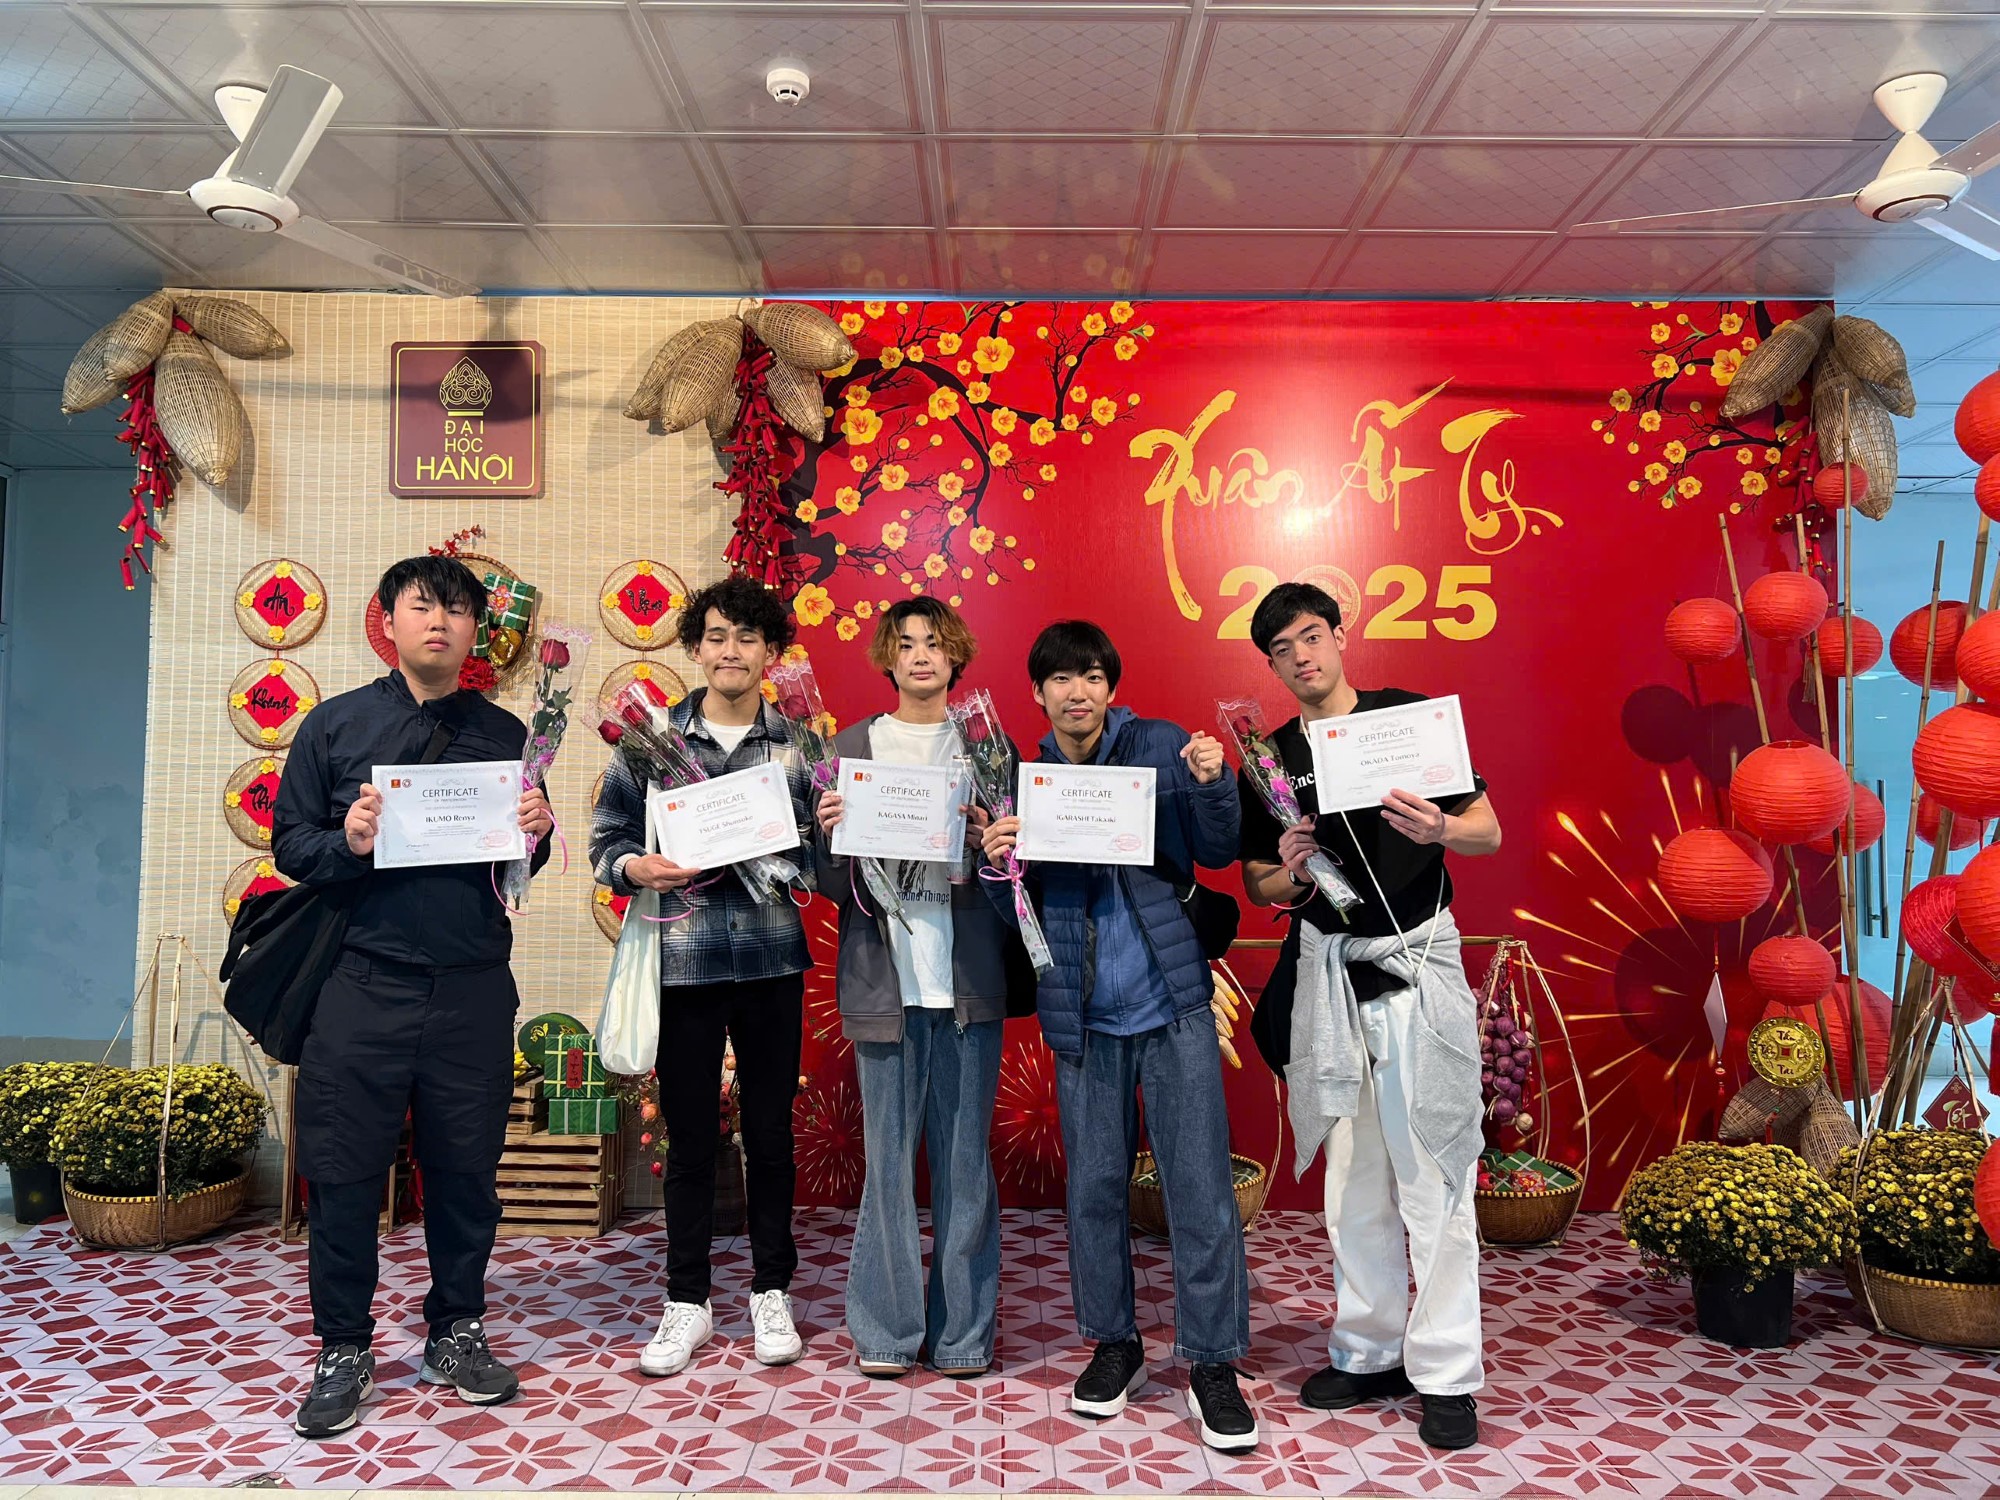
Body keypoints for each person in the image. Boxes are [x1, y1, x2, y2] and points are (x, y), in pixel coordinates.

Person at [272, 554, 554, 1440]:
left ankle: (456, 1330)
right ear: (387, 620)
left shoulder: (507, 733)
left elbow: (518, 865)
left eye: (457, 610)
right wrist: (348, 839)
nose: (439, 621)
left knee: (466, 1172)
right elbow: (291, 844)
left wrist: (537, 833)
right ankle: (343, 1346)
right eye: (422, 606)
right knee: (345, 1171)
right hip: (362, 983)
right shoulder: (335, 724)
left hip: (473, 987)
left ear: (477, 632)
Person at [980, 620, 1258, 1454]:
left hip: (1172, 1003)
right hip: (1083, 1015)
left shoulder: (1163, 745)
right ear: (1038, 693)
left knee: (1199, 1188)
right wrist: (998, 866)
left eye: (1093, 676)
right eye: (1062, 679)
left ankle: (1212, 1359)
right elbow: (1016, 917)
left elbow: (1217, 848)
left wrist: (1213, 782)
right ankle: (1115, 1343)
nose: (1079, 692)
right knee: (1096, 1189)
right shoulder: (1021, 782)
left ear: (1111, 686)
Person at [1236, 581, 1501, 1452]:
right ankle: (1369, 1349)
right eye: (1282, 650)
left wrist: (1439, 831)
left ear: (1340, 635)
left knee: (1434, 1173)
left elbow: (1488, 829)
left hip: (1417, 966)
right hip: (1331, 978)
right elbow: (1259, 886)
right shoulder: (1270, 757)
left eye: (1311, 637)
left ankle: (1448, 1372)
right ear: (1272, 665)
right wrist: (1289, 869)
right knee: (1351, 1179)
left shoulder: (1405, 720)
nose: (1301, 657)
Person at [589, 574, 816, 1379]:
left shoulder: (797, 744)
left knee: (771, 1133)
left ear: (771, 652)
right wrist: (635, 867)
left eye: (748, 637)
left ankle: (771, 1289)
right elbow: (606, 836)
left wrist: (818, 836)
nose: (731, 650)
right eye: (716, 636)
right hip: (682, 963)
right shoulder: (650, 740)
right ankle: (687, 1298)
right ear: (695, 647)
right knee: (687, 1136)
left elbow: (820, 859)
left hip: (771, 959)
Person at [813, 598, 1022, 1379]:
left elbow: (1018, 874)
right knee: (888, 1168)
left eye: (935, 643)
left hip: (967, 985)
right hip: (885, 987)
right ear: (888, 658)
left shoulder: (988, 746)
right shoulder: (850, 747)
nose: (922, 656)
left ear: (955, 654)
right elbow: (828, 880)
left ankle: (964, 1335)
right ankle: (887, 1332)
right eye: (906, 645)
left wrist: (997, 846)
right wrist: (830, 834)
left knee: (966, 1167)